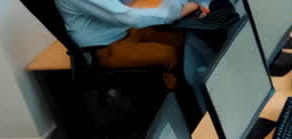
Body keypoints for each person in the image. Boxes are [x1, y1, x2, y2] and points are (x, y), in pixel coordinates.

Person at [54, 0, 205, 90]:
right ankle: (182, 106)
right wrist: (177, 13)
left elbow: (125, 3)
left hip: (122, 31)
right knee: (169, 54)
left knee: (181, 40)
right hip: (104, 49)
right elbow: (127, 16)